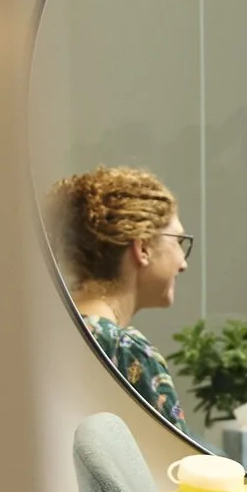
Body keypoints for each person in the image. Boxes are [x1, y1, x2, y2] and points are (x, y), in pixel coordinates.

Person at [45, 165, 192, 428]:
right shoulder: (125, 350)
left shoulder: (51, 334)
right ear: (143, 247)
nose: (183, 263)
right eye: (178, 242)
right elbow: (176, 464)